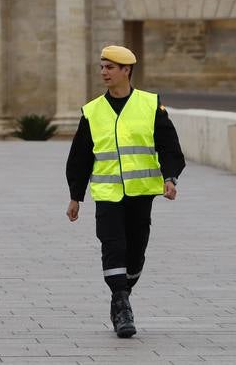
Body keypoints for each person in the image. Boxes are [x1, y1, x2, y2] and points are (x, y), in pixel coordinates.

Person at [65, 45, 185, 338]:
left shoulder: (150, 105)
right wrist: (75, 196)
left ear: (126, 71)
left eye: (110, 67)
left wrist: (170, 177)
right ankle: (120, 303)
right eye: (102, 66)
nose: (103, 72)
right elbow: (80, 156)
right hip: (107, 194)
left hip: (141, 193)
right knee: (113, 246)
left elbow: (169, 146)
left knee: (135, 253)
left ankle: (123, 291)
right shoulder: (92, 111)